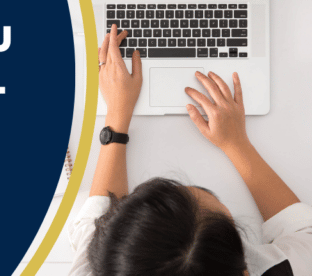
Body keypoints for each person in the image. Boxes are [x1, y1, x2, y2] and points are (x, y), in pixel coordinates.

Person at [67, 25, 312, 276]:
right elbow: (305, 233)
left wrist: (117, 112)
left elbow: (97, 221)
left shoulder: (96, 266)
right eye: (225, 216)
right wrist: (237, 144)